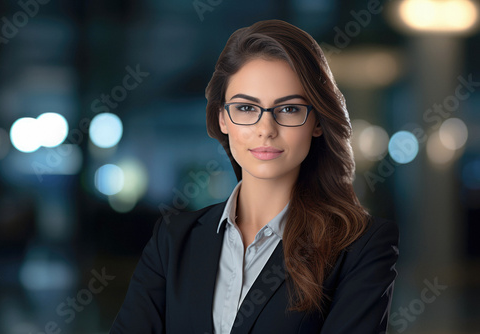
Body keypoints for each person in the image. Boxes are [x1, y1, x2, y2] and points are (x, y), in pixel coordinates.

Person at [110, 19, 399, 334]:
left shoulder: (361, 246)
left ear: (317, 122)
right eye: (246, 108)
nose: (266, 129)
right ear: (222, 118)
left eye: (288, 109)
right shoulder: (172, 240)